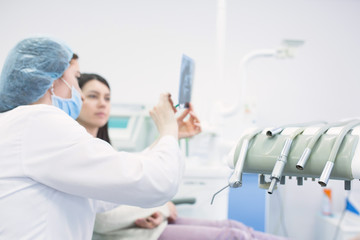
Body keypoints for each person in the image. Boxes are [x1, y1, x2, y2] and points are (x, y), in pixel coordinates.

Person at [0, 37, 196, 239]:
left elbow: (105, 186)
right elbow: (154, 183)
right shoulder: (39, 122)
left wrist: (169, 135)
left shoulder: (18, 125)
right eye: (76, 78)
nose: (81, 96)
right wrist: (168, 130)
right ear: (52, 81)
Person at [76, 73, 288, 240]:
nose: (103, 103)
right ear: (76, 97)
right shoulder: (79, 151)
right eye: (93, 96)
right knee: (234, 236)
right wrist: (162, 208)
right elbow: (100, 218)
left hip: (147, 224)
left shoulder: (101, 147)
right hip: (131, 234)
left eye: (107, 98)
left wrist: (172, 134)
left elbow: (136, 166)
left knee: (236, 227)